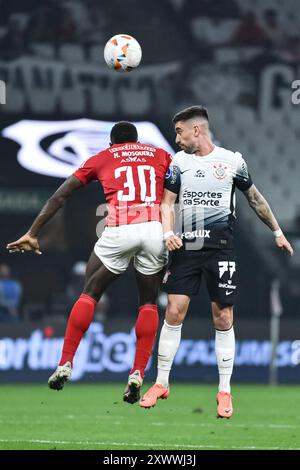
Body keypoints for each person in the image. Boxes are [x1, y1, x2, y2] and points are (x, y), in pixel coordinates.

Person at [139, 106, 294, 417]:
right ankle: (161, 382)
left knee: (222, 316)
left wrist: (277, 231)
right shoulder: (178, 163)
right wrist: (168, 231)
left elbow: (255, 199)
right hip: (186, 248)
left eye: (180, 131)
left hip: (221, 249)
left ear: (197, 130)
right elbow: (166, 203)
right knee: (173, 310)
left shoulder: (232, 161)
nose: (176, 138)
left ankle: (224, 391)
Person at [6, 121, 171, 403]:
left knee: (90, 292)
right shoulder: (159, 155)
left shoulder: (102, 158)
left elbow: (61, 196)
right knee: (149, 302)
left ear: (111, 143)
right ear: (137, 139)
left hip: (120, 229)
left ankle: (65, 363)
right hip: (154, 229)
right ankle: (137, 373)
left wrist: (33, 232)